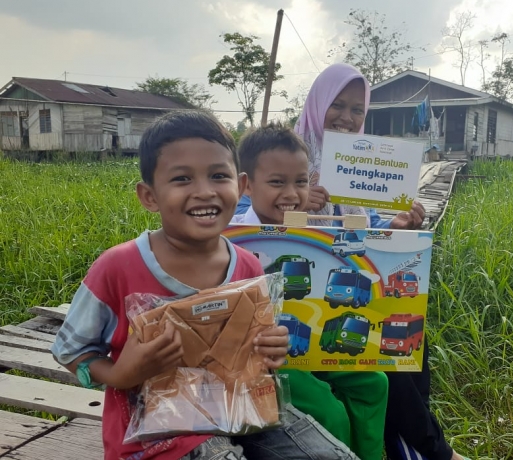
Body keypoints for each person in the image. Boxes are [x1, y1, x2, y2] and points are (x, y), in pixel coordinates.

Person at [50, 110, 359, 460]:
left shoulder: (247, 265)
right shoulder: (117, 268)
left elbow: (258, 356)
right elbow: (71, 352)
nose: (204, 192)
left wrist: (271, 349)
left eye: (218, 175)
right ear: (149, 196)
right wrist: (122, 374)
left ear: (240, 185)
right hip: (157, 431)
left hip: (243, 413)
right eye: (182, 179)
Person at [292, 63, 467, 460]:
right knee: (385, 353)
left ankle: (408, 446)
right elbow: (250, 220)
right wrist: (299, 203)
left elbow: (367, 223)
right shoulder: (288, 155)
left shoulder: (355, 162)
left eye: (357, 109)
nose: (347, 117)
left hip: (352, 288)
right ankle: (437, 453)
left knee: (409, 335)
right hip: (302, 307)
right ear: (318, 104)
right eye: (337, 105)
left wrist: (397, 223)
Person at [231, 122, 389, 460]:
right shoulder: (236, 238)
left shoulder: (314, 232)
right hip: (266, 353)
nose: (291, 193)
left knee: (375, 383)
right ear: (246, 186)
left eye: (300, 182)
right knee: (329, 411)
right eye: (277, 182)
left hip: (312, 339)